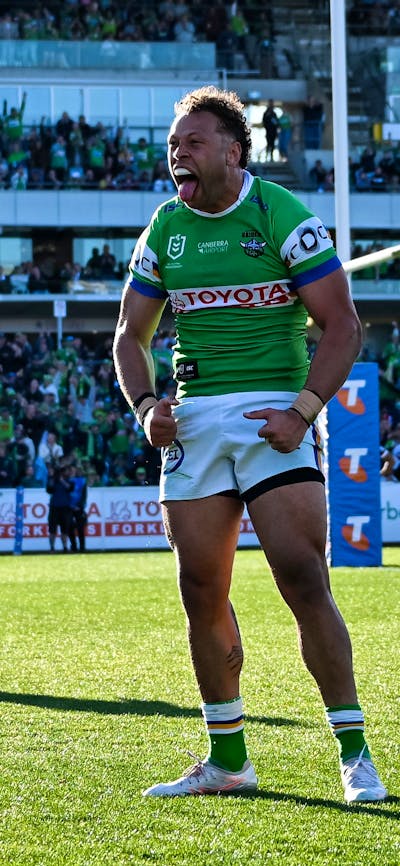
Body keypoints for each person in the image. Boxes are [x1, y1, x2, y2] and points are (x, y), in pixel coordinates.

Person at [113, 85, 387, 803]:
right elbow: (128, 338)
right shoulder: (165, 228)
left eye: (193, 142)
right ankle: (228, 758)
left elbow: (343, 326)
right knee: (200, 589)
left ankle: (354, 753)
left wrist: (301, 413)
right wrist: (146, 406)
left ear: (233, 152)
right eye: (174, 144)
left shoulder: (280, 214)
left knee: (301, 577)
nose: (179, 153)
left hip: (275, 414)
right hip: (197, 421)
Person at [46, 462, 73, 553]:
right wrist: (52, 477)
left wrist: (61, 480)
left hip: (65, 507)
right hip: (54, 507)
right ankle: (52, 548)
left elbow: (70, 488)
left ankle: (65, 547)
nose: (63, 472)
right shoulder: (53, 480)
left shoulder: (69, 480)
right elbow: (49, 489)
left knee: (64, 530)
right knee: (52, 530)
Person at [68, 463, 88, 552]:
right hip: (69, 508)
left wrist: (79, 506)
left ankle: (82, 547)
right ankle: (74, 546)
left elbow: (84, 495)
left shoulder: (83, 481)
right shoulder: (68, 480)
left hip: (79, 508)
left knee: (80, 528)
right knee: (70, 528)